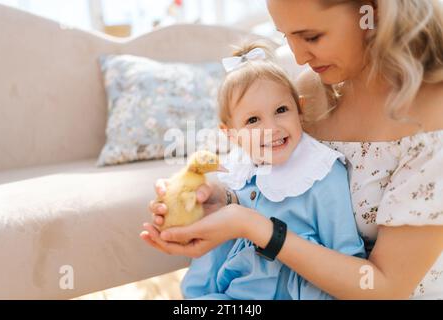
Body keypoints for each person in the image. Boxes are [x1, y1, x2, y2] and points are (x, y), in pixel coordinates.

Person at [142, 0, 443, 299]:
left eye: (311, 37)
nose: (298, 58)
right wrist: (223, 199)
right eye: (286, 37)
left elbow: (384, 289)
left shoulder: (434, 124)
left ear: (372, 13)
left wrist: (252, 227)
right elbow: (282, 184)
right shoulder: (314, 91)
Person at [180, 42, 365, 300]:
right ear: (231, 134)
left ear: (299, 110)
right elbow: (214, 253)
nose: (272, 128)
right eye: (253, 120)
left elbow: (347, 258)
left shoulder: (321, 172)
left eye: (281, 110)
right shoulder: (238, 172)